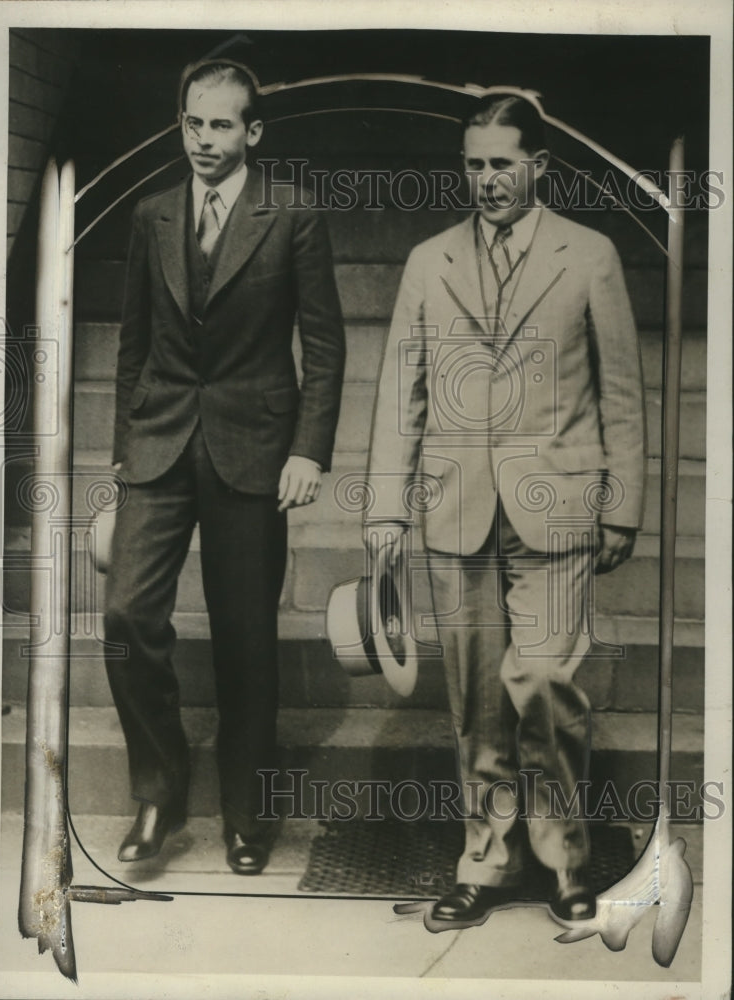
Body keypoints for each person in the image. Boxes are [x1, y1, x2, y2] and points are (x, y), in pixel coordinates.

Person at [365, 94, 645, 924]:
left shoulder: (588, 255)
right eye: (473, 164)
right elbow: (399, 394)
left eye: (500, 164)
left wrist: (620, 503)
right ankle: (485, 859)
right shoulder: (429, 260)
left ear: (538, 167)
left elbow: (621, 393)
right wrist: (386, 504)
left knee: (546, 684)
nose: (485, 180)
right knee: (475, 703)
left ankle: (564, 858)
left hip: (556, 507)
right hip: (455, 509)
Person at [104, 59, 345, 875]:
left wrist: (309, 447)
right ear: (181, 123)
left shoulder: (292, 214)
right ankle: (159, 792)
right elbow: (134, 345)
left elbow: (323, 342)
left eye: (221, 126)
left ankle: (247, 812)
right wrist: (120, 454)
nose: (205, 140)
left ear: (252, 132)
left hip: (255, 450)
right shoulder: (151, 215)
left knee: (246, 639)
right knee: (129, 620)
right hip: (159, 444)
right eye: (192, 123)